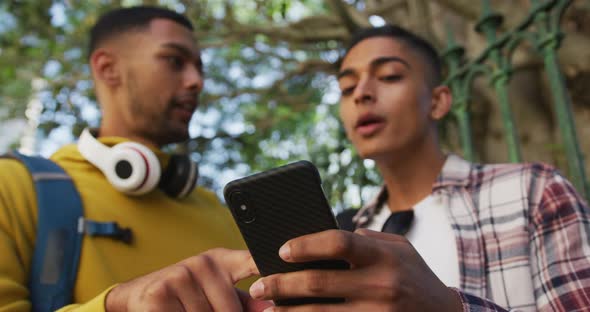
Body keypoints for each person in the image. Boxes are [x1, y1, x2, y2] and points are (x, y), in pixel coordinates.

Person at [245, 25, 590, 311]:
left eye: (389, 76)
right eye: (347, 87)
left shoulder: (532, 191)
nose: (361, 93)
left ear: (438, 102)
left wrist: (449, 307)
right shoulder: (342, 236)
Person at [0, 6, 271, 311]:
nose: (196, 81)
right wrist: (116, 306)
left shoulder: (226, 215)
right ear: (107, 68)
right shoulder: (13, 187)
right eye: (174, 61)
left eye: (199, 67)